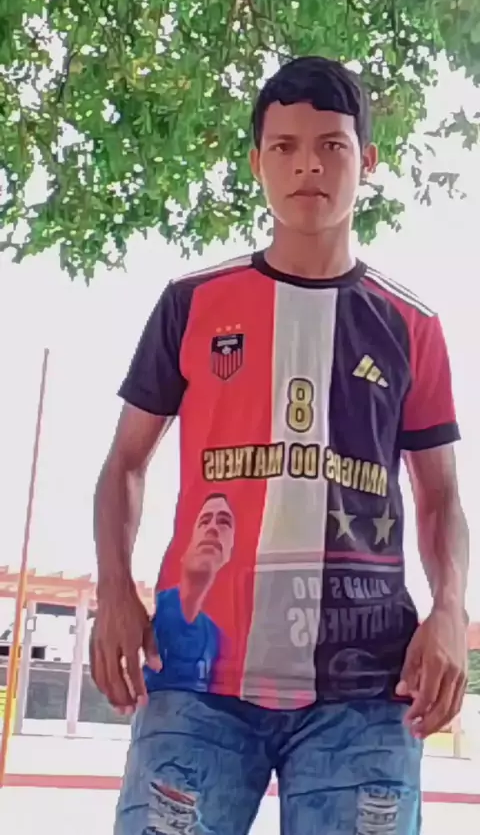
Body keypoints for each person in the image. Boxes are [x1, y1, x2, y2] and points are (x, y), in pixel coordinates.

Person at [91, 56, 469, 835]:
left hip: (368, 685)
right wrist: (114, 590)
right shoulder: (192, 304)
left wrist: (451, 610)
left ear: (367, 160)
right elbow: (125, 463)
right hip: (196, 676)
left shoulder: (412, 327)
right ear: (256, 162)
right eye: (285, 146)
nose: (308, 165)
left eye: (332, 145)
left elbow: (440, 497)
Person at [146, 492, 235, 693]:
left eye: (224, 522)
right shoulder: (153, 608)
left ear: (229, 551)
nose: (212, 528)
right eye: (204, 521)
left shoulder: (215, 636)